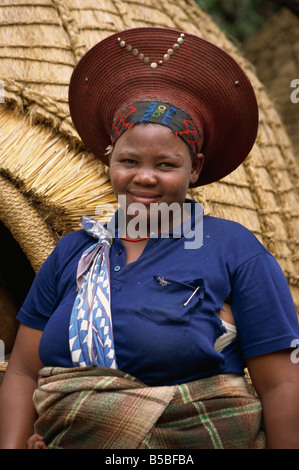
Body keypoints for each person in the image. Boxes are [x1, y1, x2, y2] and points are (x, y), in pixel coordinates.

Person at [0, 26, 299, 450]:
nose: (144, 177)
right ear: (109, 159)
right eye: (129, 160)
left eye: (165, 164)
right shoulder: (75, 252)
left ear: (194, 169)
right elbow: (23, 372)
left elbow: (282, 383)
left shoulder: (233, 249)